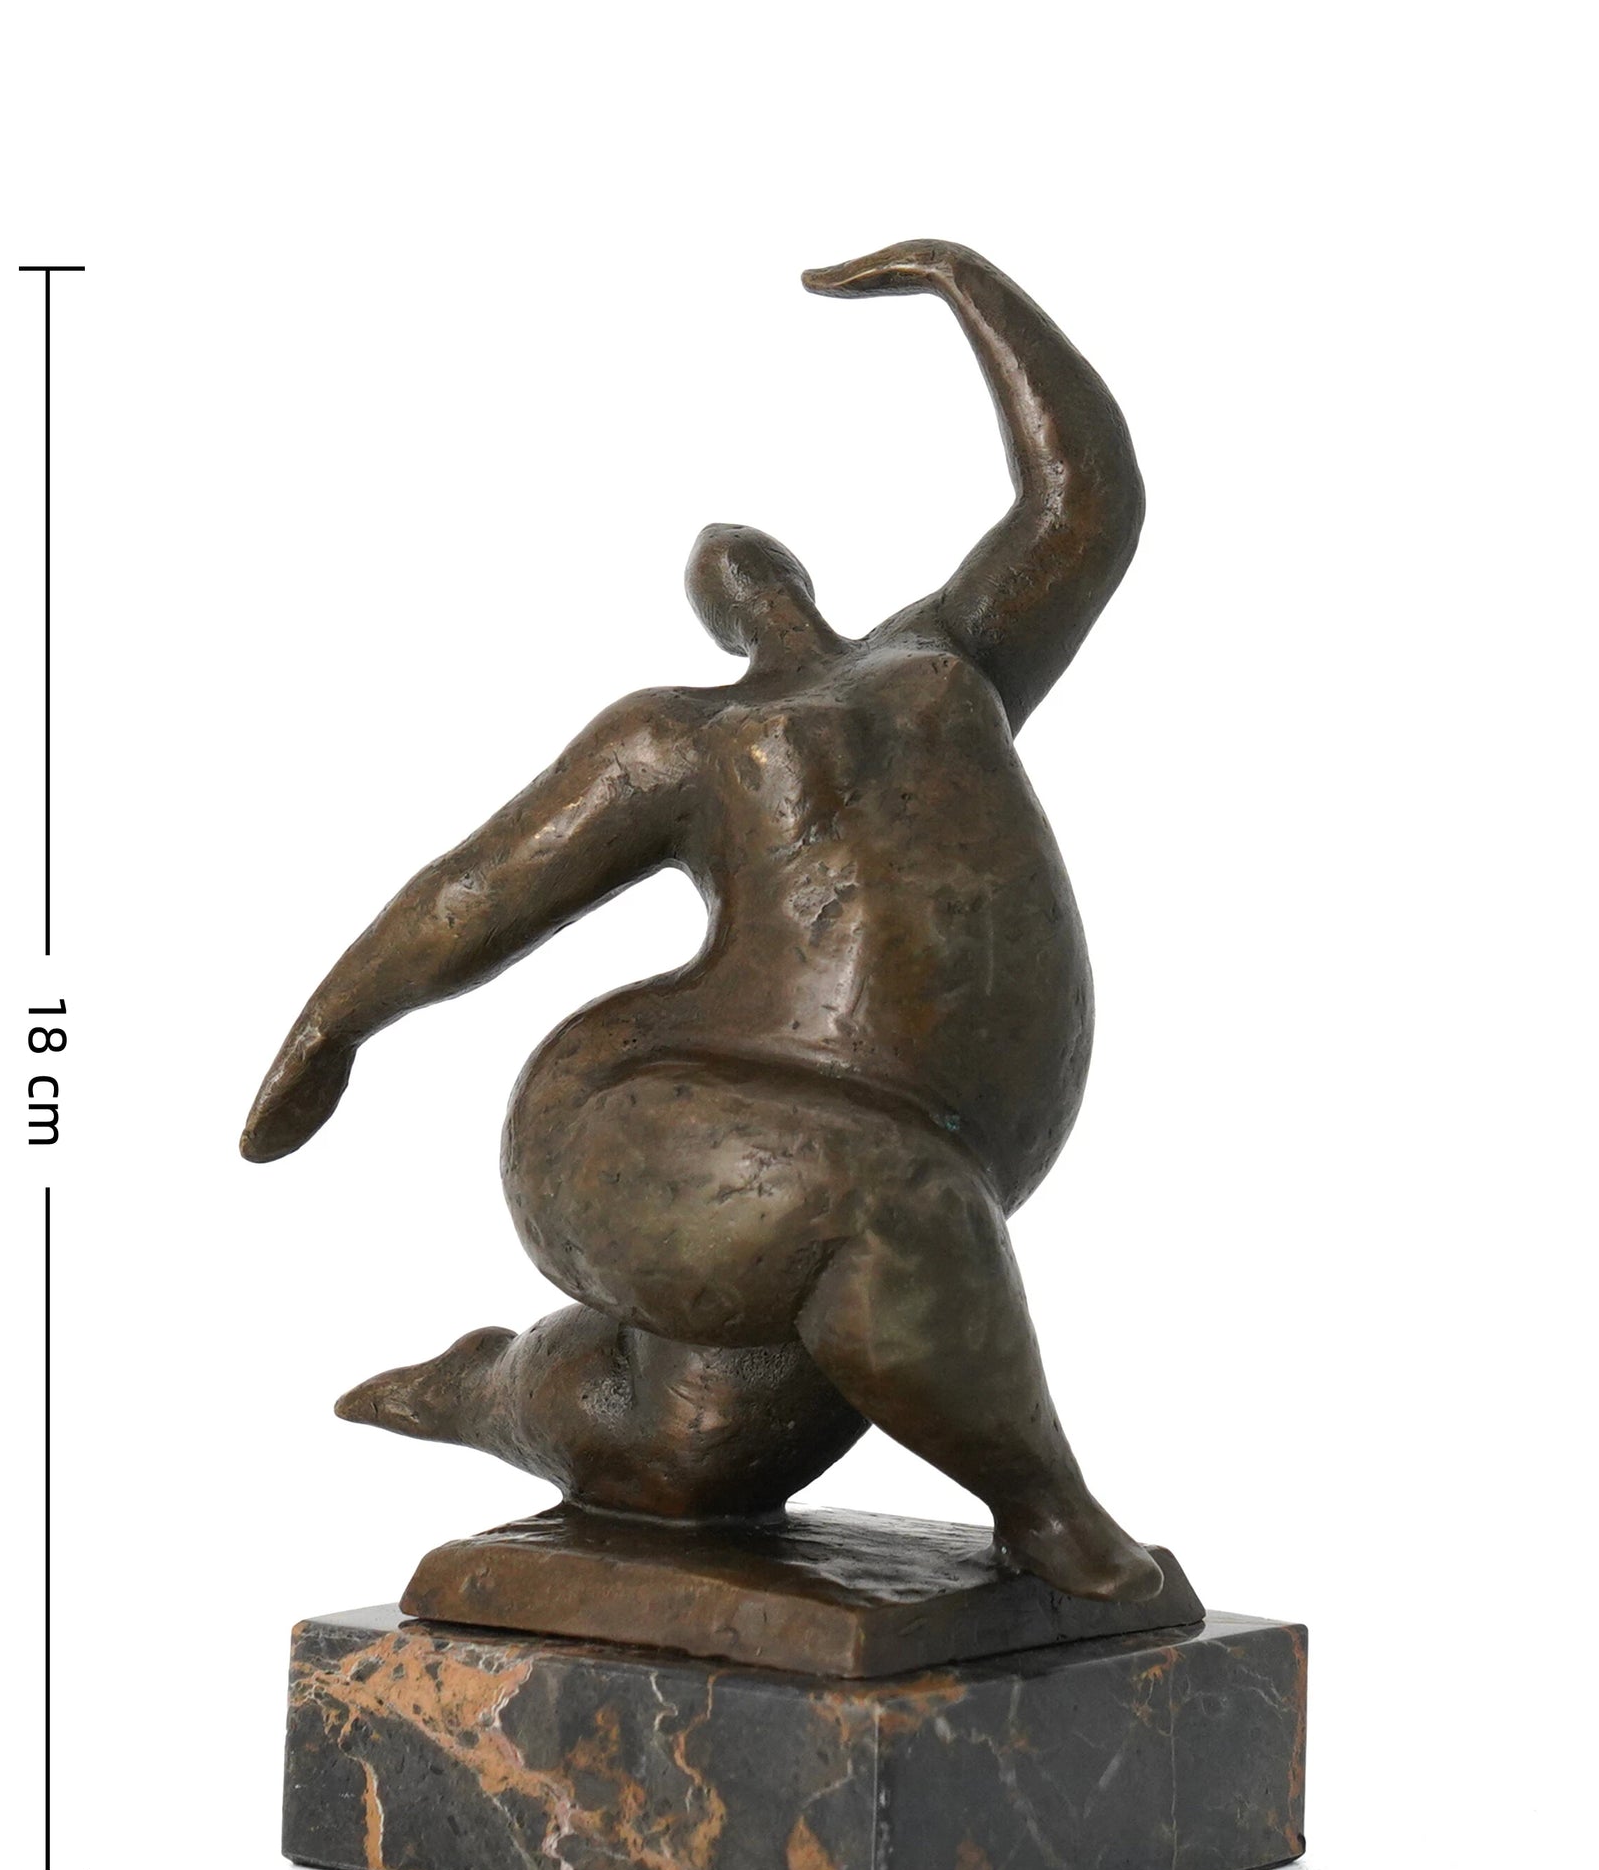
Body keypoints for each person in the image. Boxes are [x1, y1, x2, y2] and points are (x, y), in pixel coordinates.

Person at [241, 240, 1161, 1601]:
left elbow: (1085, 503)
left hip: (887, 1134)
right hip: (642, 1112)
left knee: (691, 1460)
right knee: (891, 1206)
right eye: (719, 573)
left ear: (792, 576)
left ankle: (481, 1382)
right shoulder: (678, 737)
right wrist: (334, 1025)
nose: (739, 571)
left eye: (753, 558)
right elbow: (480, 889)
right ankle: (1052, 1513)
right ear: (718, 617)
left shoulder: (951, 653)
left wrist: (962, 280)